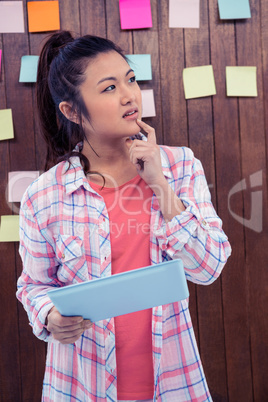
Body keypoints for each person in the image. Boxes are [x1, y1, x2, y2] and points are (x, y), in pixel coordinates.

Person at [16, 30, 231, 402]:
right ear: (71, 111)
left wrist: (159, 184)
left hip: (171, 379)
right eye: (109, 88)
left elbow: (209, 268)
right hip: (81, 384)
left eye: (130, 80)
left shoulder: (180, 167)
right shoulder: (44, 196)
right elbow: (33, 286)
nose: (130, 95)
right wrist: (49, 315)